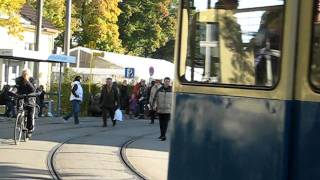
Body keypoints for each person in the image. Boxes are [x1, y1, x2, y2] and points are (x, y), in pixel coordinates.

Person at [15, 68, 37, 139]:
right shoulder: (18, 79)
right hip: (21, 98)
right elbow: (17, 87)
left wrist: (27, 81)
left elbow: (33, 89)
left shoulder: (32, 80)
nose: (25, 75)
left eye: (26, 74)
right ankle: (19, 125)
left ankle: (30, 130)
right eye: (24, 74)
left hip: (30, 100)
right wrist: (14, 92)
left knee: (30, 115)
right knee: (19, 110)